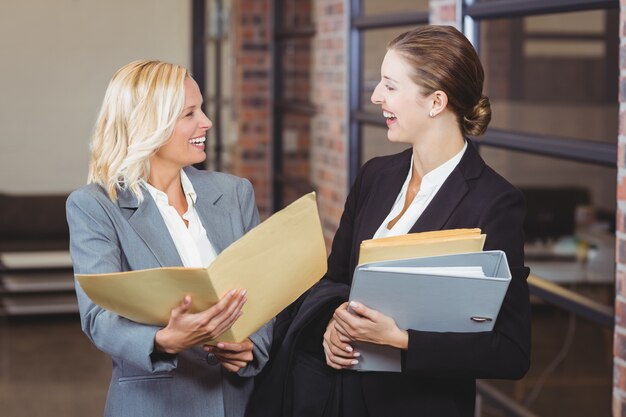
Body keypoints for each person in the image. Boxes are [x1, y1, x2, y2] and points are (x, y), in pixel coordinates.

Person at [247, 25, 530, 417]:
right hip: (334, 398)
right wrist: (334, 321)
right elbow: (334, 280)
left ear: (435, 102)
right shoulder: (376, 175)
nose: (376, 96)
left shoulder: (493, 203)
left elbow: (511, 352)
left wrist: (403, 340)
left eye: (390, 86)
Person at [66, 60, 272, 417]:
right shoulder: (95, 206)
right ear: (149, 124)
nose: (206, 122)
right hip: (155, 406)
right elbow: (98, 317)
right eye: (189, 113)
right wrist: (163, 341)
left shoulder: (235, 193)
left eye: (202, 109)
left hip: (242, 402)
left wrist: (253, 346)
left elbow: (266, 291)